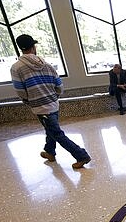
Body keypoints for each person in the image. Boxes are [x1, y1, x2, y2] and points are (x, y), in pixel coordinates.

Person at [10, 34, 91, 169]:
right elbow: (59, 86)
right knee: (50, 129)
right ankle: (50, 151)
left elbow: (20, 90)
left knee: (57, 133)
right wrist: (54, 96)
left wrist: (29, 100)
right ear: (33, 47)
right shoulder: (47, 65)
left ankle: (81, 155)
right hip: (53, 104)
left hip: (40, 107)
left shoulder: (16, 68)